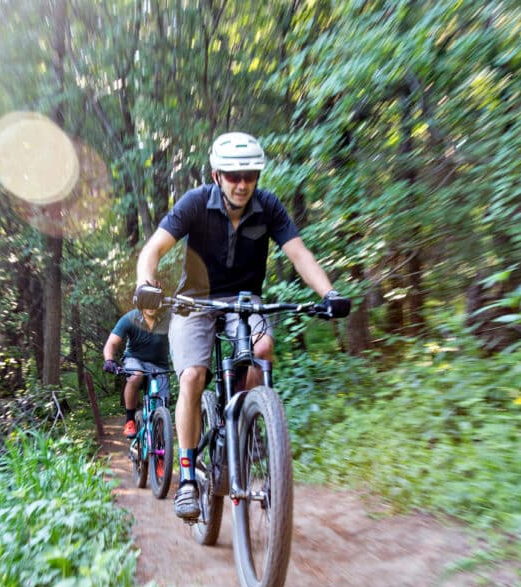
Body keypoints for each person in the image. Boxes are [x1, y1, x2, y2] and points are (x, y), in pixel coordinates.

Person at [134, 131, 350, 520]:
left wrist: (329, 293)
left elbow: (299, 254)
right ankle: (186, 477)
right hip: (194, 302)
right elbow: (153, 249)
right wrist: (147, 284)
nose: (242, 183)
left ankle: (243, 420)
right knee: (192, 376)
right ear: (216, 175)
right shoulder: (196, 204)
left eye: (249, 174)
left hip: (244, 302)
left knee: (263, 349)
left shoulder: (268, 207)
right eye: (233, 175)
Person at [103, 306, 171, 438]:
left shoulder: (168, 318)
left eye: (154, 302)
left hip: (159, 365)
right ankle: (130, 420)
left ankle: (160, 451)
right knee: (136, 375)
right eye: (147, 301)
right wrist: (109, 360)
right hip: (134, 360)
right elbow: (111, 343)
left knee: (162, 410)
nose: (151, 306)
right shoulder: (130, 318)